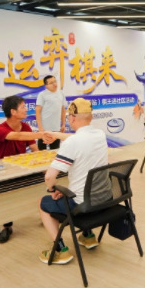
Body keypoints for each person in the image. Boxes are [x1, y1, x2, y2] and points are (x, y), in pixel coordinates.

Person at [38, 98, 109, 264]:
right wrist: (56, 135)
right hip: (103, 200)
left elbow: (49, 177)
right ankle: (88, 236)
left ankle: (60, 250)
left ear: (71, 118)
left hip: (81, 206)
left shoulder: (72, 142)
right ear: (91, 117)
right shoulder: (100, 135)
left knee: (43, 203)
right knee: (79, 189)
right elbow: (79, 137)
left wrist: (53, 189)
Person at [0, 95, 54, 242]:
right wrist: (43, 134)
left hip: (21, 169)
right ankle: (7, 226)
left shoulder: (25, 127)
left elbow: (34, 148)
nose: (26, 109)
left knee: (45, 182)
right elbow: (18, 136)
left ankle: (46, 213)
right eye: (23, 107)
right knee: (7, 195)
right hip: (3, 172)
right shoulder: (0, 129)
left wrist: (45, 166)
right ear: (13, 111)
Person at [35, 75, 67, 151]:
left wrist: (63, 124)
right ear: (46, 85)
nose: (54, 84)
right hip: (44, 129)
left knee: (55, 150)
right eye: (51, 83)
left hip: (56, 128)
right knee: (41, 151)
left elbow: (63, 109)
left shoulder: (61, 93)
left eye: (55, 81)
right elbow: (37, 111)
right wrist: (40, 127)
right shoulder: (42, 95)